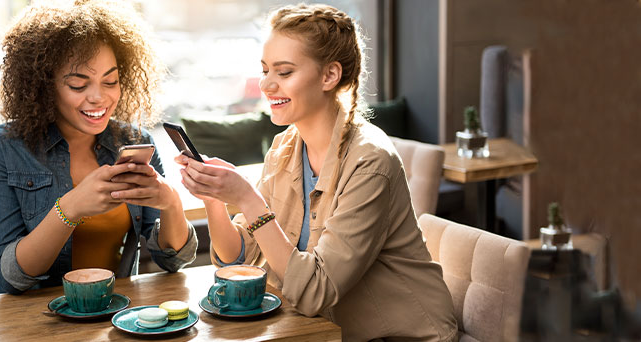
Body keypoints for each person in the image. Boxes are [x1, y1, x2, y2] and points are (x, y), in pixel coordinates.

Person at [177, 4, 459, 341]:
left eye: (284, 73)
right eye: (265, 70)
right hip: (322, 330)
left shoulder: (370, 162)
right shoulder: (285, 148)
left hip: (404, 335)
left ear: (329, 76)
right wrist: (215, 201)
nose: (266, 85)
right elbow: (237, 261)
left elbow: (315, 292)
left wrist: (248, 200)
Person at [0, 1, 198, 340]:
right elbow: (11, 278)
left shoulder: (134, 140)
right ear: (44, 85)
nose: (99, 98)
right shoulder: (2, 148)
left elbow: (172, 261)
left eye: (111, 81)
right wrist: (70, 209)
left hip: (113, 326)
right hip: (28, 328)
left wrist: (171, 204)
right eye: (79, 85)